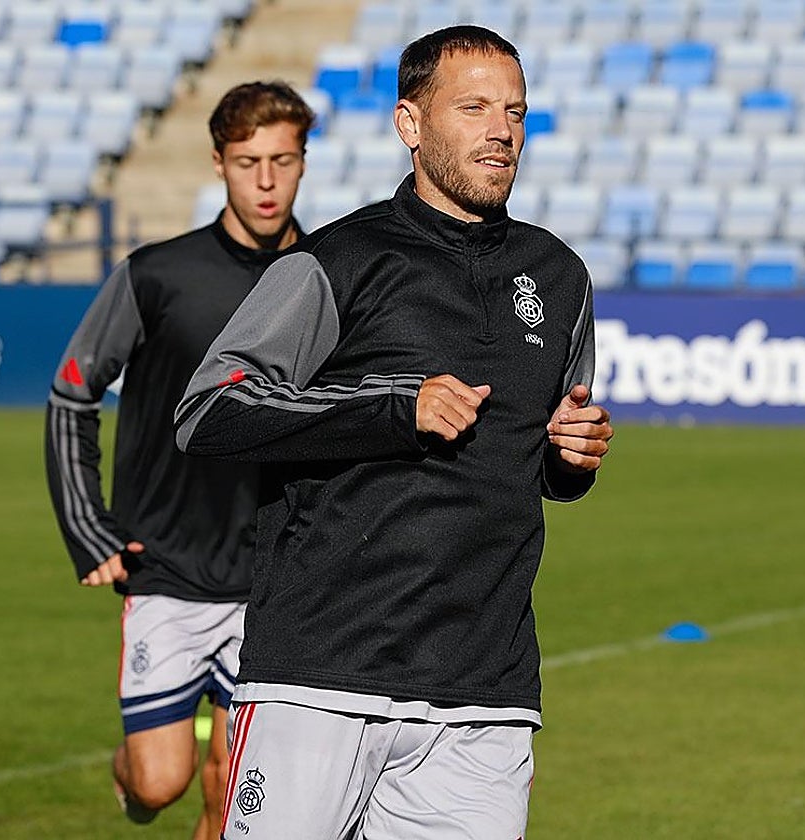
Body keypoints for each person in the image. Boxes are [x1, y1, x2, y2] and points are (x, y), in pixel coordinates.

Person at [174, 26, 613, 839]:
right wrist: (390, 407)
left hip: (484, 690)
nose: (501, 130)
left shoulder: (559, 277)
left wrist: (570, 455)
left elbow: (548, 455)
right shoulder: (337, 261)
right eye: (473, 107)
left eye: (514, 111)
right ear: (411, 125)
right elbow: (210, 408)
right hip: (321, 677)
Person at [43, 81, 313, 839]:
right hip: (165, 567)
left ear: (303, 162)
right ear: (219, 163)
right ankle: (128, 779)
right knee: (160, 783)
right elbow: (72, 392)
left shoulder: (328, 277)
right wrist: (87, 530)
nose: (266, 181)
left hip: (272, 580)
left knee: (234, 795)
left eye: (283, 161)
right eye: (247, 161)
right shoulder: (156, 275)